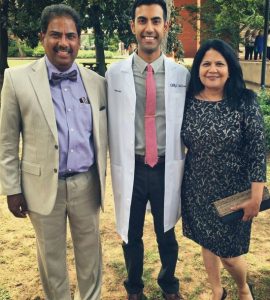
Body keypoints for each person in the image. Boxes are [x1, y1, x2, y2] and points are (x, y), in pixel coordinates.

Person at [0, 4, 107, 300]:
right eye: (56, 35)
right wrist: (12, 188)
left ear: (79, 39)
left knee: (91, 257)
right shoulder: (17, 80)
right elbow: (7, 141)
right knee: (51, 259)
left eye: (71, 36)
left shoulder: (97, 83)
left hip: (87, 184)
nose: (64, 42)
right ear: (42, 37)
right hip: (41, 186)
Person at [106, 1, 189, 299]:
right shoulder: (114, 75)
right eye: (142, 21)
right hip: (133, 167)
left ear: (165, 26)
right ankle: (134, 288)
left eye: (156, 21)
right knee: (131, 234)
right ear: (133, 26)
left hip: (167, 166)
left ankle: (169, 284)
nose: (149, 28)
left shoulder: (182, 76)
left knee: (166, 233)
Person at [181, 39, 266, 300]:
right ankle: (217, 291)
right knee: (207, 242)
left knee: (229, 255)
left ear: (230, 68)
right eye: (206, 63)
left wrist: (256, 196)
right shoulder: (188, 101)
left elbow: (257, 151)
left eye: (220, 63)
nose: (212, 69)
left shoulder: (244, 102)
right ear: (198, 69)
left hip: (233, 192)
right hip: (197, 188)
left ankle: (243, 288)